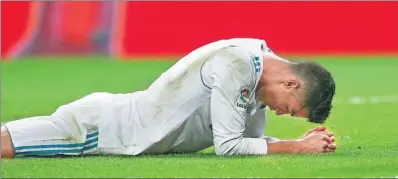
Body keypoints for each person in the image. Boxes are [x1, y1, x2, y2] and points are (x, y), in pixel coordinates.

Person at [1, 38, 336, 158]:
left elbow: (251, 141)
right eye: (289, 110)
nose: (280, 112)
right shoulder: (238, 63)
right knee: (9, 145)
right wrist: (294, 146)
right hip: (101, 130)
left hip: (114, 126)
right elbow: (229, 147)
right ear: (291, 84)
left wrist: (296, 142)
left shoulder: (259, 78)